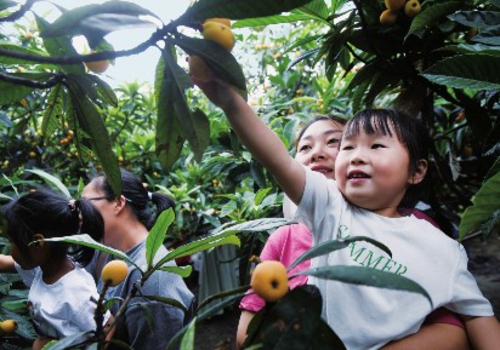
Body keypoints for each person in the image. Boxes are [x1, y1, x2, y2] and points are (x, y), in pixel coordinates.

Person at [195, 75, 500, 350]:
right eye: (349, 147)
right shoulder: (330, 208)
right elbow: (277, 159)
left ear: (417, 171)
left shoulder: (445, 249)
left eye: (376, 146)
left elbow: (478, 318)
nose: (356, 157)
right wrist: (230, 102)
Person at [236, 115, 470, 350]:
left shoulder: (415, 228)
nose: (316, 153)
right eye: (305, 147)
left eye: (335, 143)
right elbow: (245, 334)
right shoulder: (284, 239)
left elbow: (449, 328)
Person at [81, 169, 195, 350]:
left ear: (118, 202)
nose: (80, 214)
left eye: (84, 204)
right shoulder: (105, 251)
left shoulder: (153, 281)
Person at [0, 187, 112, 350]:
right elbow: (3, 263)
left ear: (37, 243)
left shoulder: (75, 292)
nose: (10, 248)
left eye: (12, 241)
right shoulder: (42, 268)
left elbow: (108, 326)